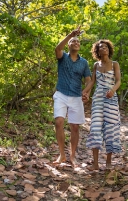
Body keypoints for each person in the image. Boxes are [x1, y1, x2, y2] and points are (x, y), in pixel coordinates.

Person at [53, 26, 91, 167]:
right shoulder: (63, 57)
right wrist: (70, 35)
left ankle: (72, 156)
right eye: (73, 41)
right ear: (68, 44)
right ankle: (62, 155)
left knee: (75, 127)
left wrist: (86, 91)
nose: (76, 43)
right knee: (59, 122)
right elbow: (57, 49)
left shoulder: (84, 63)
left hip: (76, 96)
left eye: (77, 42)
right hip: (61, 93)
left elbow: (88, 80)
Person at [83, 39, 122, 170]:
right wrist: (84, 92)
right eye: (100, 47)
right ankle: (95, 164)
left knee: (110, 128)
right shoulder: (96, 65)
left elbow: (118, 81)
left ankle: (109, 162)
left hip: (111, 97)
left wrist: (112, 90)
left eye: (105, 47)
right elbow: (92, 81)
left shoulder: (114, 64)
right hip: (98, 98)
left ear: (109, 49)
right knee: (95, 127)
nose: (103, 48)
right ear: (97, 51)